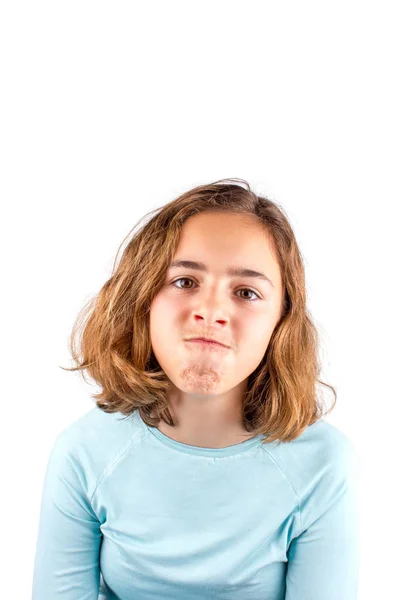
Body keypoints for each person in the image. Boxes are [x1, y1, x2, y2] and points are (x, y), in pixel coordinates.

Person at [31, 178, 362, 599]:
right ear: (143, 298)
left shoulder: (324, 465)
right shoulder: (83, 452)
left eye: (246, 292)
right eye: (185, 281)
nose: (210, 311)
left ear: (281, 321)